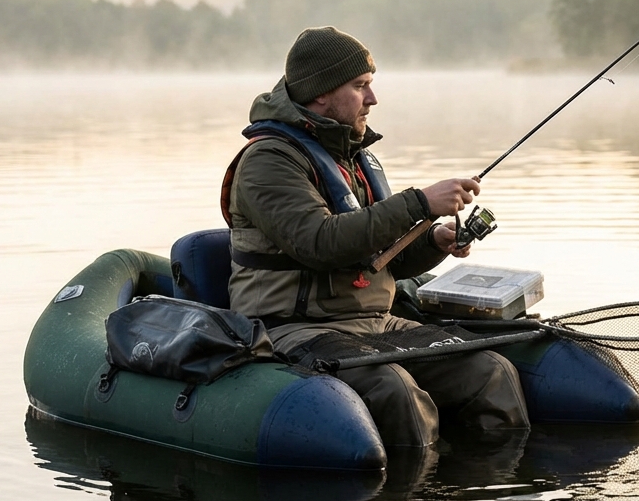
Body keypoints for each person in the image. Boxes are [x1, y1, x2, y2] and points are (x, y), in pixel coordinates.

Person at [222, 26, 529, 448]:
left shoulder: (354, 158)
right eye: (360, 86)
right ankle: (407, 500)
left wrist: (432, 243)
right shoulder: (268, 161)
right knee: (394, 389)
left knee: (490, 370)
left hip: (376, 320)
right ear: (321, 93)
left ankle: (491, 488)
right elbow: (321, 243)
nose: (373, 98)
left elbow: (381, 259)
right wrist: (420, 202)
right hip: (294, 328)